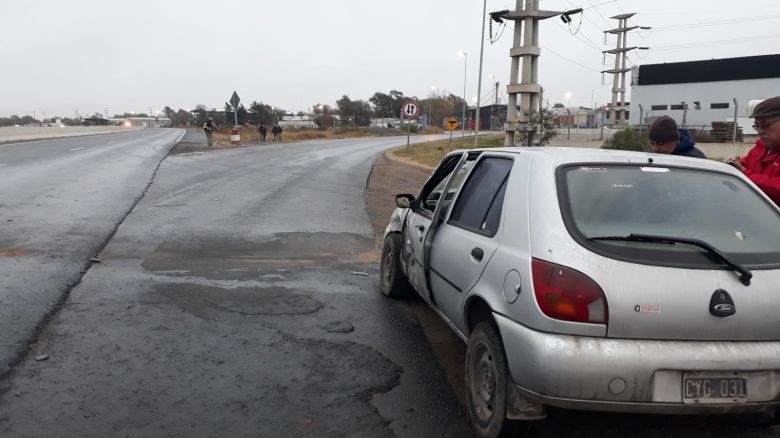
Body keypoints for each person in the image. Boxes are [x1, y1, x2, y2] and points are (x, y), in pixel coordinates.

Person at [725, 96, 780, 205]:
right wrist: (735, 163)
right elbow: (744, 164)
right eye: (757, 126)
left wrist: (744, 173)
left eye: (765, 125)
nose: (759, 131)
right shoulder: (760, 148)